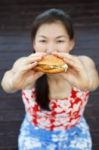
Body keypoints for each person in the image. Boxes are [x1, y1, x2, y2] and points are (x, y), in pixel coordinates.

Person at [1, 8, 99, 150]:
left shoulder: (83, 64)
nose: (51, 49)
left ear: (71, 43)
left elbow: (93, 82)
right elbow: (7, 81)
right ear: (34, 44)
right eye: (43, 41)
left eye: (59, 41)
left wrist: (87, 84)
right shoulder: (26, 67)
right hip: (35, 135)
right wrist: (13, 83)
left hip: (75, 133)